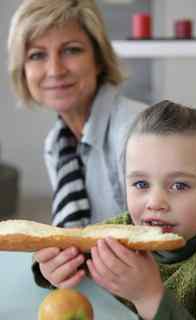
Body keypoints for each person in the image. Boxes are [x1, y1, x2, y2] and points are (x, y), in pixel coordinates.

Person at [34, 100, 196, 320]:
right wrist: (51, 269)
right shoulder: (122, 230)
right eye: (141, 184)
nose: (155, 203)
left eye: (179, 186)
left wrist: (149, 297)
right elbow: (69, 249)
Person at [8, 0, 147, 229]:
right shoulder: (56, 144)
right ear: (23, 71)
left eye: (71, 50)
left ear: (99, 59)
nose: (55, 70)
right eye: (36, 55)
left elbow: (166, 243)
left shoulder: (138, 132)